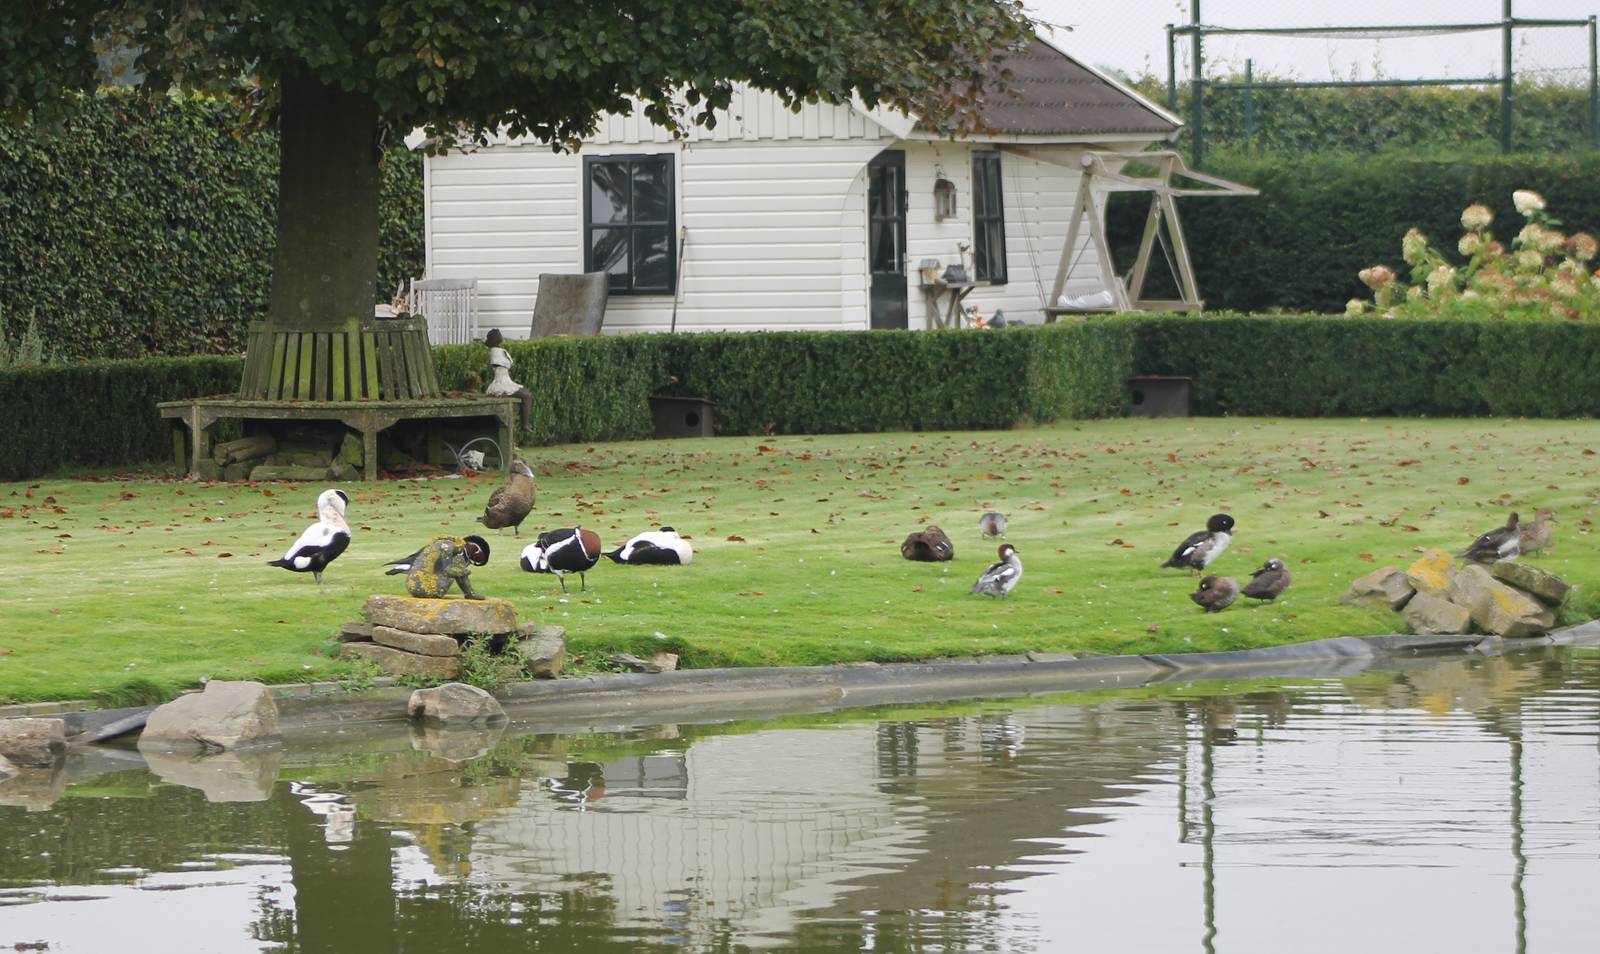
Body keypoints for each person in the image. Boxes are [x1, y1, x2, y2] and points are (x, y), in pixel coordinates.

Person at [484, 329, 533, 427]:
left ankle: (524, 421)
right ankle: (524, 425)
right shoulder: (495, 352)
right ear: (495, 339)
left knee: (529, 395)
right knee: (527, 396)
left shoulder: (501, 350)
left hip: (507, 381)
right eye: (498, 335)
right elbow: (503, 365)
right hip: (501, 384)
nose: (500, 336)